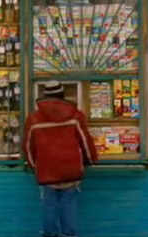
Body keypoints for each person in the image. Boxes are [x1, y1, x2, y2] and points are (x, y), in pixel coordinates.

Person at [23, 80, 98, 237]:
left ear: (44, 96)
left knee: (48, 205)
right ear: (62, 95)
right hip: (70, 170)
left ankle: (50, 234)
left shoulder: (34, 118)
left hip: (46, 171)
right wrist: (90, 159)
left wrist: (33, 165)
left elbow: (28, 146)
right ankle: (69, 234)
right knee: (68, 204)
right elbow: (85, 141)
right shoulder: (76, 115)